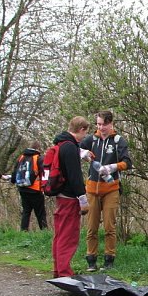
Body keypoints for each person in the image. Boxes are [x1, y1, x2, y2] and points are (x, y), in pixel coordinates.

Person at [80, 111, 132, 271]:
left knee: (110, 226)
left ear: (111, 124)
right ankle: (91, 259)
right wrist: (84, 154)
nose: (101, 127)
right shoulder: (91, 139)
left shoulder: (118, 141)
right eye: (98, 124)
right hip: (92, 189)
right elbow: (75, 149)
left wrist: (113, 167)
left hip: (111, 188)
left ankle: (109, 260)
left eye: (103, 124)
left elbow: (127, 162)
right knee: (91, 226)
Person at [51, 117, 90, 278]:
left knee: (60, 234)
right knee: (68, 236)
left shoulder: (60, 144)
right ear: (81, 129)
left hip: (60, 195)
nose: (85, 136)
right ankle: (64, 272)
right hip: (69, 197)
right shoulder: (70, 148)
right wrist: (83, 199)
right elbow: (75, 176)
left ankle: (58, 269)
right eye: (85, 132)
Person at [11, 141, 47, 231]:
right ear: (38, 148)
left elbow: (15, 171)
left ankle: (23, 231)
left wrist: (12, 180)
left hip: (22, 188)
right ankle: (44, 231)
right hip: (35, 189)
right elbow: (44, 172)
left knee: (26, 211)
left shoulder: (21, 157)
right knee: (40, 212)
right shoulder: (38, 158)